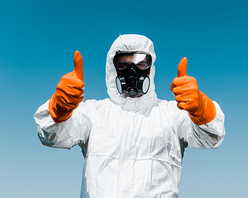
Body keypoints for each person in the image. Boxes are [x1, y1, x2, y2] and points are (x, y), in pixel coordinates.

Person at [34, 34, 225, 198]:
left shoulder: (172, 114)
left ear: (150, 68)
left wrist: (202, 109)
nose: (132, 72)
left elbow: (211, 138)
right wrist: (59, 110)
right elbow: (53, 137)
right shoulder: (93, 113)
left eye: (141, 63)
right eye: (123, 65)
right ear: (113, 69)